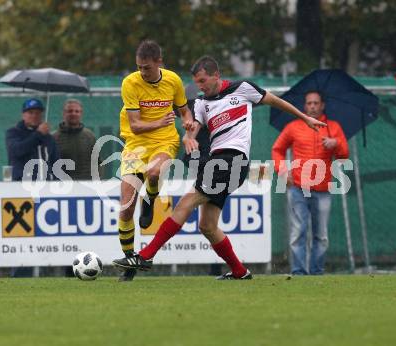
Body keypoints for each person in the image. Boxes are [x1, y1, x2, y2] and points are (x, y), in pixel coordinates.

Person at [113, 56, 326, 280]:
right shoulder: (203, 103)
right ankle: (240, 271)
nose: (201, 87)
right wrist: (188, 137)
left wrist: (305, 118)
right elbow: (194, 126)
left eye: (203, 81)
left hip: (232, 160)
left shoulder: (242, 89)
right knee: (207, 225)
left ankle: (145, 256)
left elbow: (275, 101)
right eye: (197, 83)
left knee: (185, 204)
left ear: (216, 75)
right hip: (219, 163)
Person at [116, 40, 194, 281]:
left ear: (159, 62)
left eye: (146, 67)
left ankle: (149, 199)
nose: (142, 71)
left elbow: (184, 111)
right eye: (139, 67)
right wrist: (158, 122)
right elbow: (136, 126)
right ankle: (130, 262)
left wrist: (188, 124)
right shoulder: (130, 83)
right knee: (126, 208)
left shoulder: (173, 80)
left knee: (153, 172)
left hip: (164, 141)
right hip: (135, 145)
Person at [271, 91, 349, 275]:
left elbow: (344, 155)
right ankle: (299, 272)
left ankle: (316, 272)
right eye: (309, 103)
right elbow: (277, 149)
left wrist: (335, 143)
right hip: (298, 188)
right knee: (298, 232)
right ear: (305, 106)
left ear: (322, 105)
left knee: (321, 236)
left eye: (316, 103)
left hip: (323, 190)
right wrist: (282, 170)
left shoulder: (333, 127)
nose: (312, 106)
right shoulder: (293, 127)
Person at [6, 98, 59, 181]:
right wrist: (38, 134)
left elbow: (55, 162)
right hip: (21, 185)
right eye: (30, 113)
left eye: (37, 113)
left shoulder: (49, 138)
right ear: (23, 115)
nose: (34, 116)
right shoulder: (14, 132)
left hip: (46, 186)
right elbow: (17, 150)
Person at [53, 99, 100, 180]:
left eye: (77, 111)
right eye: (70, 111)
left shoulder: (90, 136)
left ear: (81, 114)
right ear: (64, 113)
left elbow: (98, 162)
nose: (73, 114)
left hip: (86, 186)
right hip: (62, 187)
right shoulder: (54, 138)